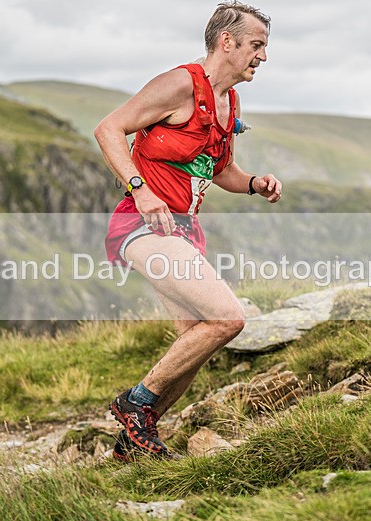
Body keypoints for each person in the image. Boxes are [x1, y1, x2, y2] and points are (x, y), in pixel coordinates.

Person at [94, 0, 282, 461]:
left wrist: (254, 184)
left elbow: (224, 171)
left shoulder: (229, 100)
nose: (263, 56)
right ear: (227, 42)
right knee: (227, 319)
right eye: (256, 45)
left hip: (184, 231)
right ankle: (134, 404)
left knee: (192, 340)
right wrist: (139, 188)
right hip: (142, 223)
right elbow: (108, 128)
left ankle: (132, 448)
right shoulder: (179, 83)